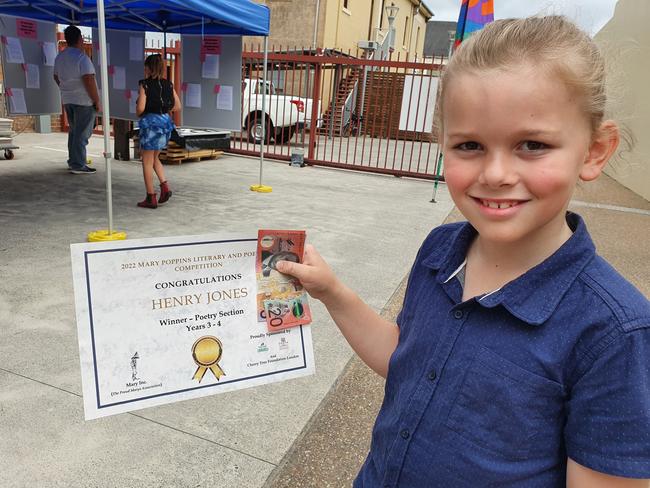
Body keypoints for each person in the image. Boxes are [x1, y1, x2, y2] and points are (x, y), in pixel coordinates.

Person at [277, 16, 650, 488]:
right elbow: (404, 361)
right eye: (469, 145)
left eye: (532, 145)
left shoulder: (615, 333)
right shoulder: (440, 251)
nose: (495, 173)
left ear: (595, 151)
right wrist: (331, 291)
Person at [53, 25, 101, 175]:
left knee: (74, 132)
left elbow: (55, 76)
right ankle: (78, 164)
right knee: (82, 134)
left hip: (68, 99)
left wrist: (66, 87)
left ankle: (73, 161)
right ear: (80, 39)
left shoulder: (60, 56)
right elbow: (89, 79)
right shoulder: (82, 58)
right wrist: (96, 100)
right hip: (84, 100)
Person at [135, 54, 180, 209]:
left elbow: (140, 108)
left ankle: (150, 197)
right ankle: (164, 187)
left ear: (149, 68)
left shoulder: (144, 85)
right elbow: (177, 106)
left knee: (146, 161)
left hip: (150, 126)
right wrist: (163, 109)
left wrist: (145, 111)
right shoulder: (169, 84)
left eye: (145, 66)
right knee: (155, 158)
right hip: (165, 124)